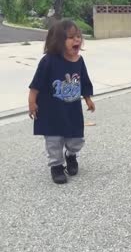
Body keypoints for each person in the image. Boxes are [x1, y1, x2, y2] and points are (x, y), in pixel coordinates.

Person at [28, 19, 95, 184]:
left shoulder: (79, 61)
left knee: (76, 139)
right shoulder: (48, 61)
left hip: (72, 110)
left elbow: (84, 82)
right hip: (51, 112)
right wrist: (32, 102)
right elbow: (36, 85)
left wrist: (88, 99)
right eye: (71, 37)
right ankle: (56, 166)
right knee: (54, 141)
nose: (77, 40)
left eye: (78, 36)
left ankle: (71, 156)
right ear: (58, 41)